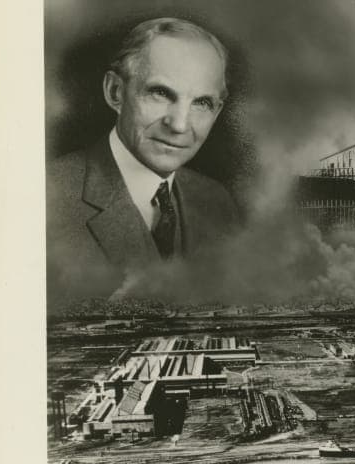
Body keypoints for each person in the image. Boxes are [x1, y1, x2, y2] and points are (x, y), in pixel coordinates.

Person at [47, 18, 241, 292]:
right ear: (115, 92)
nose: (179, 125)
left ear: (217, 111)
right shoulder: (45, 198)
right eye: (160, 93)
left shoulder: (217, 202)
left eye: (202, 103)